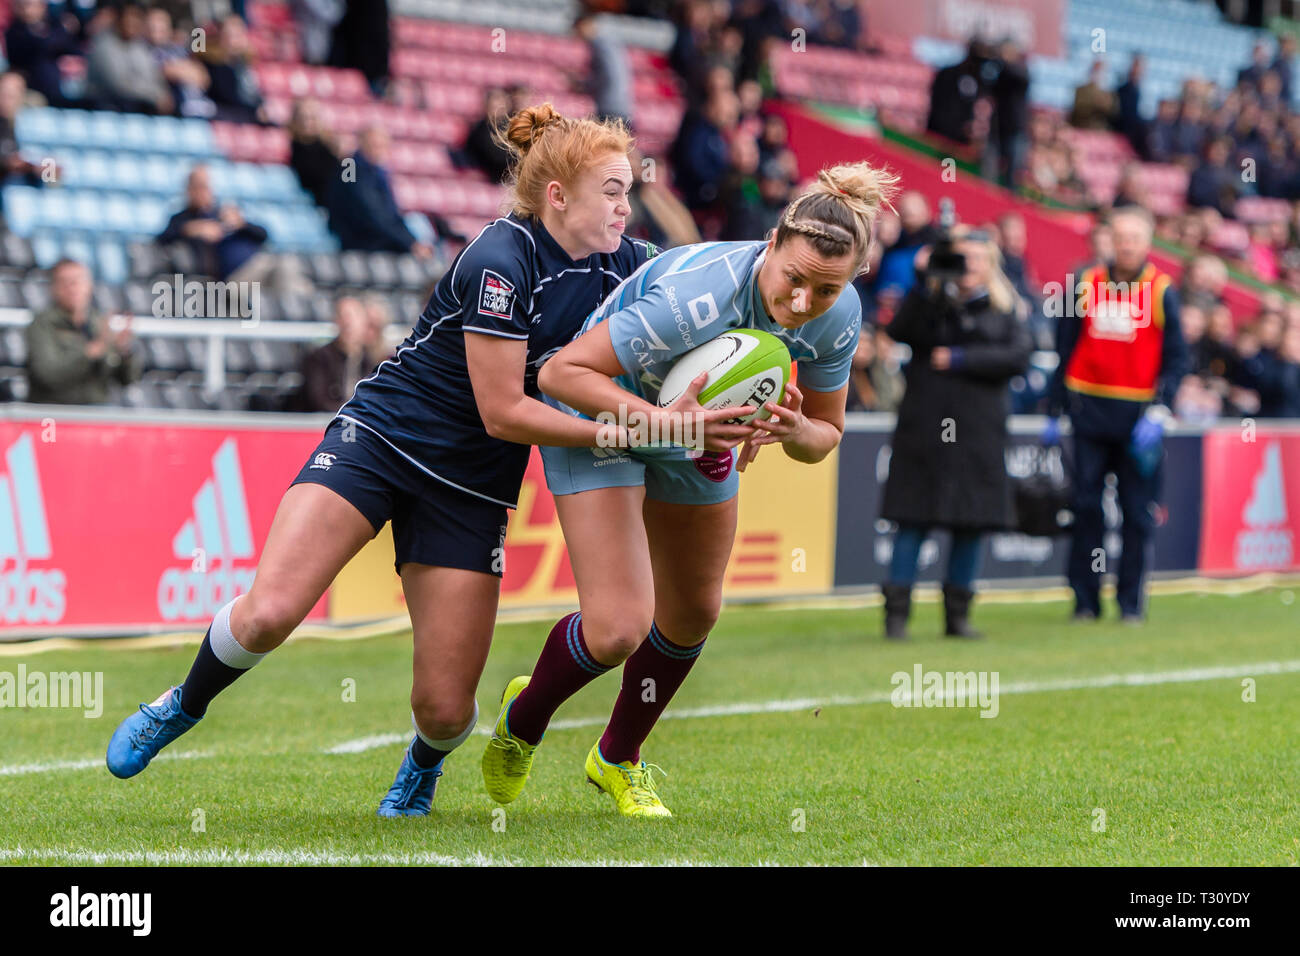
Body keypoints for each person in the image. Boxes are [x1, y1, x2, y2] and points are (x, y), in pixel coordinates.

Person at [104, 104, 668, 819]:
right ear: (557, 196)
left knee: (443, 711)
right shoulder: (502, 256)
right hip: (381, 440)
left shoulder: (631, 265)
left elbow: (700, 295)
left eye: (627, 189)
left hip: (472, 486)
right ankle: (180, 705)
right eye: (612, 190)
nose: (626, 204)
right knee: (270, 613)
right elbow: (503, 412)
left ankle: (420, 766)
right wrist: (622, 433)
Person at [480, 161, 899, 818]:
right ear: (768, 247)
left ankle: (616, 758)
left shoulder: (838, 312)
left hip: (698, 428)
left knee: (694, 611)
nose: (802, 304)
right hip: (607, 420)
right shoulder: (697, 299)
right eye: (793, 280)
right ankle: (522, 720)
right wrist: (668, 423)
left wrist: (791, 429)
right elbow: (559, 373)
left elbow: (827, 435)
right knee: (618, 628)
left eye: (825, 290)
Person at [878, 228, 1031, 640]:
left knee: (971, 523)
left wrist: (963, 358)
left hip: (979, 432)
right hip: (925, 428)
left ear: (990, 265)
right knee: (911, 519)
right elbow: (899, 331)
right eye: (961, 259)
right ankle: (896, 616)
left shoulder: (1004, 308)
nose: (969, 268)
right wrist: (926, 280)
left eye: (977, 259)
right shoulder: (932, 301)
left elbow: (1019, 357)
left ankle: (957, 616)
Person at [1045, 207, 1189, 622]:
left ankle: (1130, 602)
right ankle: (1085, 600)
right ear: (1109, 239)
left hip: (1137, 418)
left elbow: (1177, 357)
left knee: (1135, 513)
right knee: (1086, 507)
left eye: (1133, 239)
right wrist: (1054, 409)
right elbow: (1065, 346)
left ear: (1147, 244)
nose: (1125, 245)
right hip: (1088, 411)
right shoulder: (1085, 283)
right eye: (1119, 237)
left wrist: (1161, 408)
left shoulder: (1162, 290)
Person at [26, 259, 141, 405]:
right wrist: (90, 352)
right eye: (65, 282)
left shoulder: (99, 324)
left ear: (89, 285)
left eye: (78, 281)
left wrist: (124, 351)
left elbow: (128, 379)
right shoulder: (42, 324)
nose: (72, 288)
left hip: (93, 417)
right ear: (53, 288)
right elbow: (47, 374)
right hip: (54, 415)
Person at [328, 125, 432, 257]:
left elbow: (390, 215)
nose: (378, 150)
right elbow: (370, 212)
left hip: (376, 235)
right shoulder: (350, 167)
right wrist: (410, 244)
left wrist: (412, 242)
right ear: (361, 143)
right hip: (360, 239)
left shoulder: (376, 171)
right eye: (374, 145)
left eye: (382, 146)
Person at [85, 2, 174, 115]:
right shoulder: (103, 45)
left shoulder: (140, 48)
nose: (134, 22)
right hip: (105, 112)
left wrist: (162, 95)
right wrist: (155, 96)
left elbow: (155, 79)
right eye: (130, 16)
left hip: (137, 113)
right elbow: (119, 85)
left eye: (138, 17)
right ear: (118, 17)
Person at [297, 297, 381, 412]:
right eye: (343, 316)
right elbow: (318, 402)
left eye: (353, 316)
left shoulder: (370, 361)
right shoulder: (319, 358)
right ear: (336, 321)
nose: (348, 323)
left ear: (364, 322)